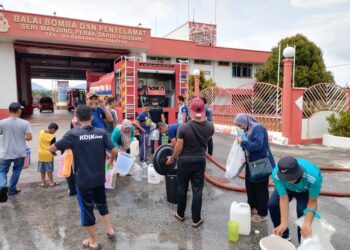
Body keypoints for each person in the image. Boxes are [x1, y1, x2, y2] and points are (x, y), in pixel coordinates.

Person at [49, 105, 118, 249]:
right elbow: (114, 150)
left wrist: (63, 150)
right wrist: (111, 162)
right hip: (99, 178)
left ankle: (93, 241)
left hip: (83, 181)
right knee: (101, 203)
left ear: (76, 117)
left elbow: (52, 148)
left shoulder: (72, 134)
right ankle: (110, 230)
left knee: (86, 209)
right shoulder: (101, 132)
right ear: (92, 117)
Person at [166, 97, 214, 227]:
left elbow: (179, 147)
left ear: (190, 110)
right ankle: (196, 219)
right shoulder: (210, 127)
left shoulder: (183, 127)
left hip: (184, 161)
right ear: (203, 110)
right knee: (197, 190)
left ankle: (180, 214)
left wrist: (172, 158)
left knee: (182, 187)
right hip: (199, 161)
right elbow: (206, 139)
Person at [269, 156, 323, 242]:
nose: (289, 180)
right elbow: (283, 198)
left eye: (292, 177)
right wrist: (283, 223)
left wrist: (307, 223)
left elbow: (312, 201)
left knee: (302, 212)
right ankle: (283, 234)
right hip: (287, 189)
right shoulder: (276, 174)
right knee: (273, 204)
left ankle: (302, 243)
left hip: (305, 191)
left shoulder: (313, 176)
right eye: (286, 178)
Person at [234, 113, 275, 223]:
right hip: (251, 163)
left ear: (245, 122)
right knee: (250, 185)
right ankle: (252, 207)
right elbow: (243, 146)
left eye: (239, 125)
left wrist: (243, 142)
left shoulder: (258, 128)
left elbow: (258, 145)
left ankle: (262, 214)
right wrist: (240, 140)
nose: (239, 128)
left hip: (260, 163)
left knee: (260, 188)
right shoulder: (245, 130)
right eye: (237, 126)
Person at [0, 102, 32, 203]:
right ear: (18, 111)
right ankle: (12, 190)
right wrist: (21, 136)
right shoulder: (25, 123)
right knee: (17, 170)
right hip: (20, 152)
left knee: (2, 171)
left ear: (9, 111)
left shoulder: (2, 122)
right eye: (20, 110)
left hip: (5, 152)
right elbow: (29, 138)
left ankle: (2, 186)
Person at [38, 123, 59, 187]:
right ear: (52, 129)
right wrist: (54, 153)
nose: (55, 132)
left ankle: (43, 183)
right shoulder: (52, 137)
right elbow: (53, 148)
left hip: (41, 154)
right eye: (55, 131)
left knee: (42, 170)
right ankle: (51, 183)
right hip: (48, 155)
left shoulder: (41, 132)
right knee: (49, 170)